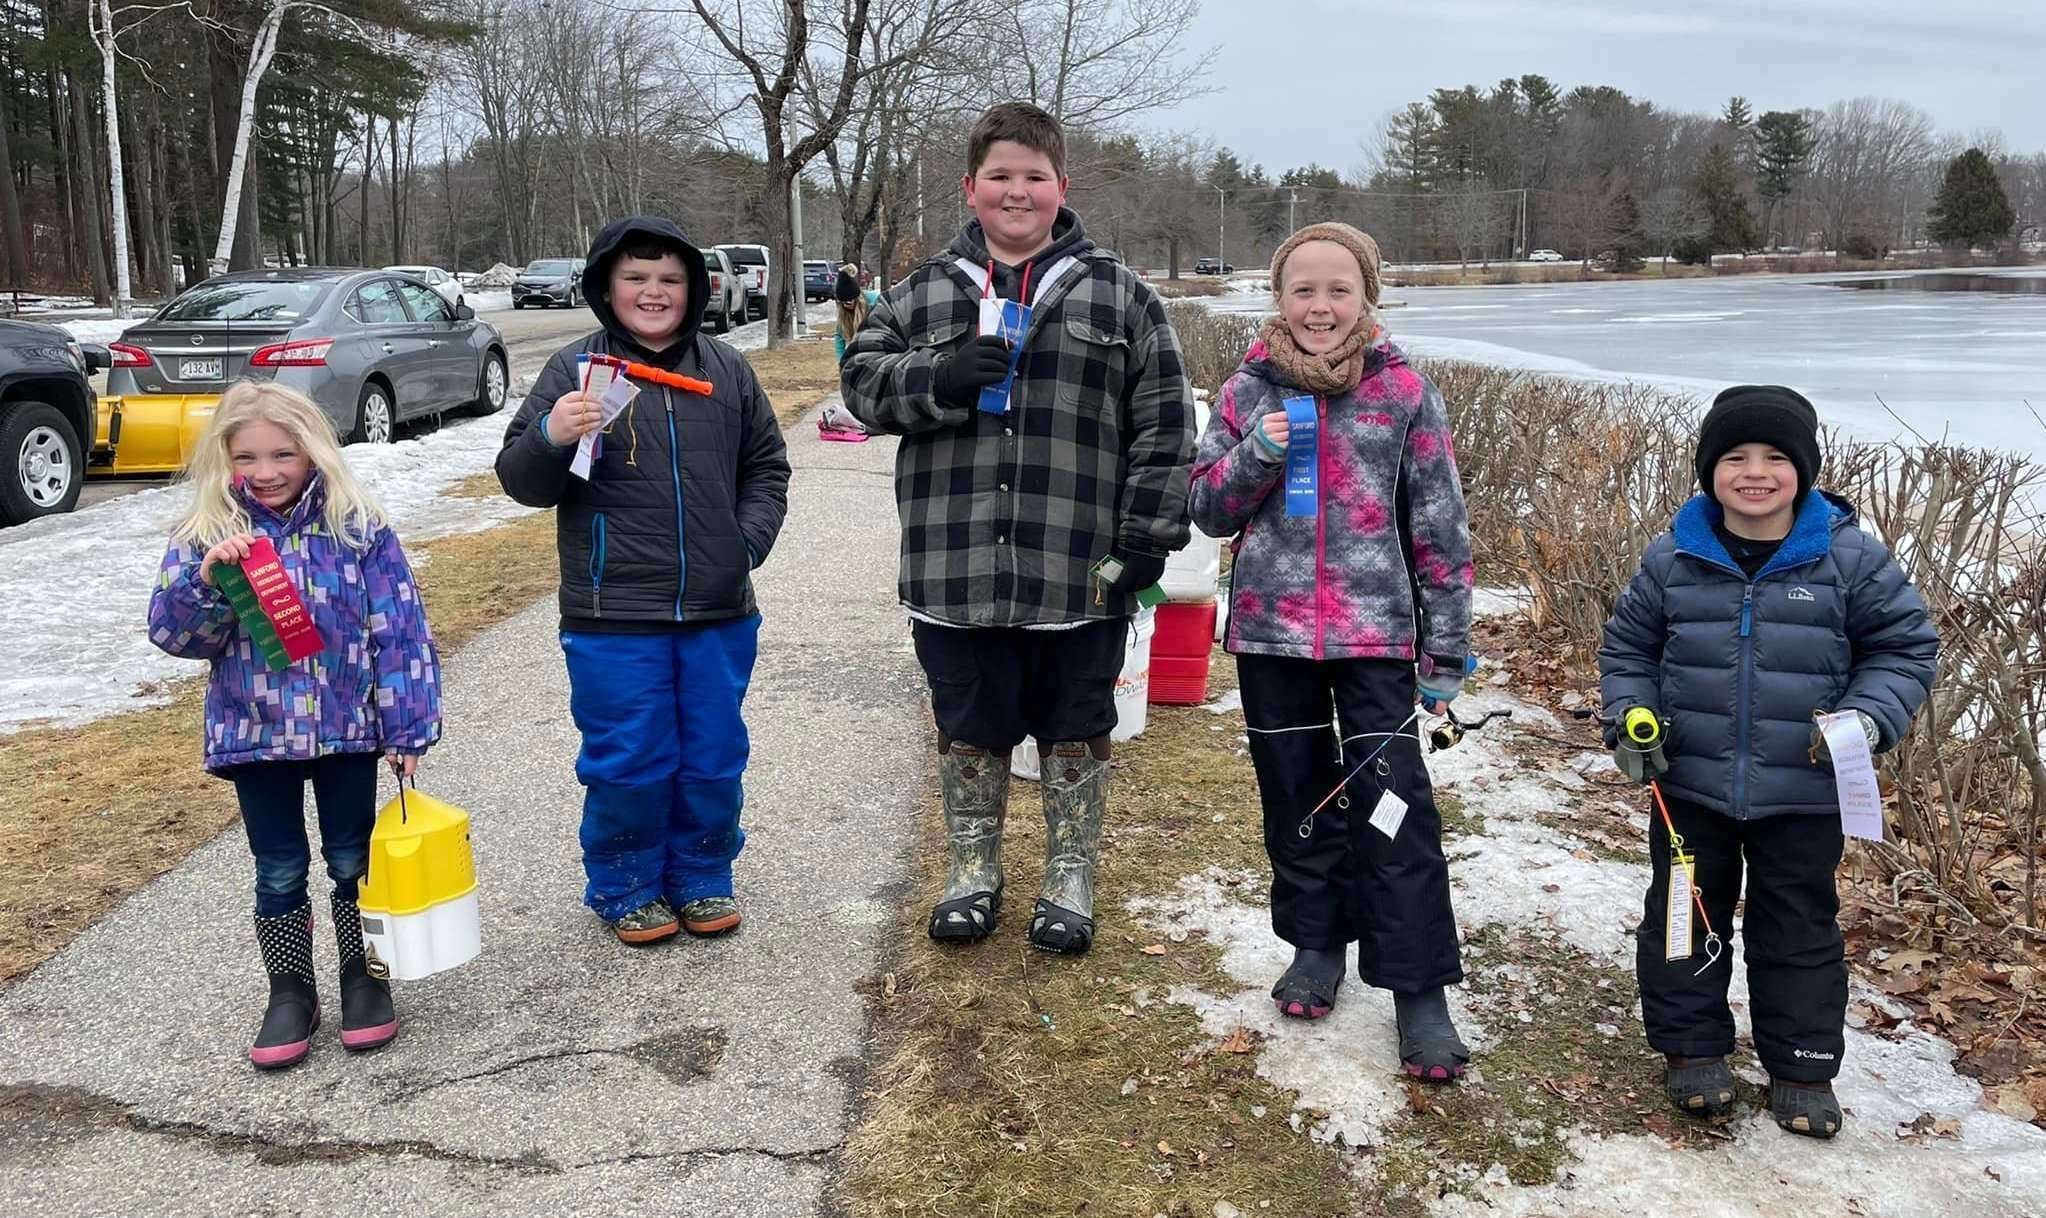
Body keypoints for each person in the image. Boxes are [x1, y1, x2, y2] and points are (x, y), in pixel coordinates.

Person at [841, 101, 1195, 955]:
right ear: (970, 187)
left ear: (1062, 186)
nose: (1016, 191)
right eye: (999, 175)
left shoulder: (1121, 293)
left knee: (1077, 723)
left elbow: (1164, 422)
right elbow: (859, 385)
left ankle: (1070, 878)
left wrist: (1147, 533)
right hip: (953, 572)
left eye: (1034, 176)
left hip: (1080, 573)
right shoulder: (923, 292)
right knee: (971, 722)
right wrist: (942, 374)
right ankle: (973, 874)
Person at [1599, 385, 1937, 1138]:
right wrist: (1629, 715)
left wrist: (1870, 716)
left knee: (1798, 925)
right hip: (1688, 785)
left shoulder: (1849, 558)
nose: (1756, 472)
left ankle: (1803, 1064)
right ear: (1708, 471)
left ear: (1805, 469)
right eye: (1735, 457)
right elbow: (1628, 650)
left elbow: (1905, 648)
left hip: (1805, 792)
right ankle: (1691, 1049)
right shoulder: (1674, 556)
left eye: (1776, 457)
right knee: (1684, 917)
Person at [1187, 222, 1476, 1082]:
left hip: (1376, 638)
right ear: (1278, 298)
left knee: (1397, 813)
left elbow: (1439, 528)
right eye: (1303, 289)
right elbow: (1206, 509)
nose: (1320, 306)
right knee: (1297, 800)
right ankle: (1316, 945)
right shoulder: (1246, 393)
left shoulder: (1404, 394)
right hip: (1272, 639)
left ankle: (1418, 988)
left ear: (1367, 298)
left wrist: (1447, 647)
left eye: (1338, 289)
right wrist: (1260, 451)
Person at [496, 217, 791, 946]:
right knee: (629, 755)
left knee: (713, 753)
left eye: (669, 279)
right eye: (635, 277)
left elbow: (767, 470)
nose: (652, 292)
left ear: (694, 290)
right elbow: (520, 483)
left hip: (719, 608)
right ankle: (626, 881)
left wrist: (743, 546)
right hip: (613, 612)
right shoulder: (574, 371)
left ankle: (700, 874)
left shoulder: (726, 372)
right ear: (606, 286)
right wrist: (550, 437)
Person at [146, 381, 441, 1070]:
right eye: (247, 457)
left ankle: (364, 975)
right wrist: (208, 586)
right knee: (277, 866)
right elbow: (172, 634)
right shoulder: (206, 535)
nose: (267, 471)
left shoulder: (357, 527)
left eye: (284, 453)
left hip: (347, 729)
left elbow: (398, 631)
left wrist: (406, 729)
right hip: (255, 735)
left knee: (353, 859)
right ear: (224, 459)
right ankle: (290, 990)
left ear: (313, 450)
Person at [832, 262, 879, 364]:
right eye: (842, 303)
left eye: (848, 302)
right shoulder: (844, 313)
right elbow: (839, 337)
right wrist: (842, 362)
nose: (845, 306)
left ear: (857, 299)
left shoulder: (875, 301)